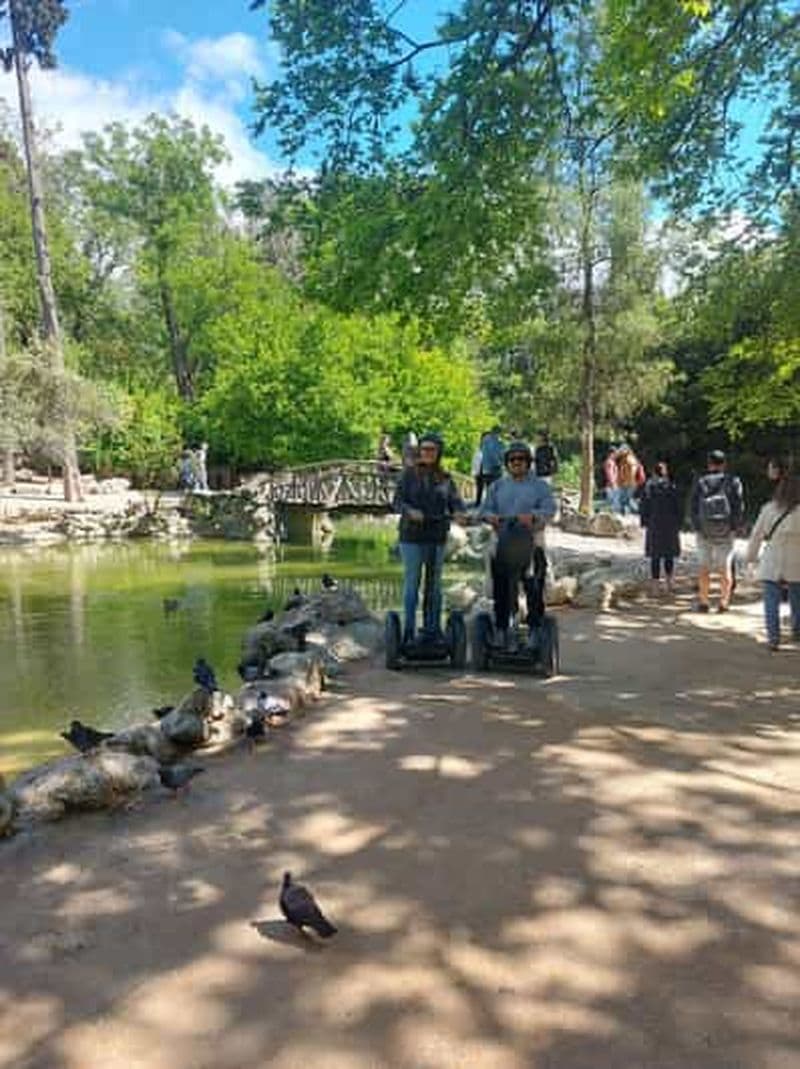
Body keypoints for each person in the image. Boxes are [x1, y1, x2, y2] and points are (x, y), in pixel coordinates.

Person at [480, 440, 557, 647]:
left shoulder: (540, 486)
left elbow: (550, 510)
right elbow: (484, 510)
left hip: (532, 542)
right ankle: (502, 628)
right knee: (501, 589)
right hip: (503, 541)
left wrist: (532, 515)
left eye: (521, 459)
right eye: (512, 459)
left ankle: (534, 628)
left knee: (533, 587)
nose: (517, 463)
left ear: (528, 462)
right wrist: (491, 517)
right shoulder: (497, 486)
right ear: (507, 463)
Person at [392, 432, 465, 643]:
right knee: (412, 582)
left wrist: (460, 512)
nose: (427, 453)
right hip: (411, 536)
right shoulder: (408, 475)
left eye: (432, 449)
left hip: (437, 535)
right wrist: (410, 511)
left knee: (435, 585)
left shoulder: (445, 478)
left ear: (439, 452)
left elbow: (456, 502)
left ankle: (433, 630)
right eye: (424, 449)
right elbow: (397, 502)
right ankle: (408, 631)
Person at [745, 468, 800, 651]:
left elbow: (756, 536)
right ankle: (797, 631)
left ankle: (773, 638)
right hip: (796, 562)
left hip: (772, 560)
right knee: (797, 599)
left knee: (771, 601)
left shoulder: (768, 509)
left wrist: (750, 558)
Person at [690, 449, 744, 613]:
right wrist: (734, 526)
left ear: (709, 464)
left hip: (704, 531)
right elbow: (739, 506)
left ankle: (704, 602)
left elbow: (693, 507)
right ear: (724, 464)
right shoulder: (733, 481)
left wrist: (697, 527)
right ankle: (724, 602)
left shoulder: (701, 482)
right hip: (725, 531)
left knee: (704, 567)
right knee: (725, 567)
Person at [639, 461, 681, 596]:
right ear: (665, 472)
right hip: (670, 525)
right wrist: (678, 523)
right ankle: (670, 583)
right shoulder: (672, 486)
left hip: (654, 524)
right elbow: (678, 507)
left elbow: (644, 507)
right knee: (669, 555)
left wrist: (644, 522)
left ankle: (655, 588)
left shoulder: (649, 487)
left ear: (654, 473)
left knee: (655, 556)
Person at [616, 444, 644, 515]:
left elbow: (632, 472)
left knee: (626, 500)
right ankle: (628, 514)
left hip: (628, 483)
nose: (620, 452)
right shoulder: (625, 459)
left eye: (622, 450)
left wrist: (626, 481)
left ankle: (639, 511)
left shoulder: (629, 459)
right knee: (625, 500)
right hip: (627, 483)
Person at [479, 426, 505, 498]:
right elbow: (495, 454)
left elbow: (482, 451)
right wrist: (500, 463)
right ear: (497, 432)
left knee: (490, 488)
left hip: (486, 469)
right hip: (495, 469)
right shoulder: (495, 441)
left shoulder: (484, 441)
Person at [603, 447, 620, 512]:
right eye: (615, 453)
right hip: (611, 485)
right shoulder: (609, 462)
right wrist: (613, 483)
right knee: (613, 502)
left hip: (612, 484)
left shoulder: (611, 462)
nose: (616, 455)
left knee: (611, 501)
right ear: (611, 453)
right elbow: (609, 473)